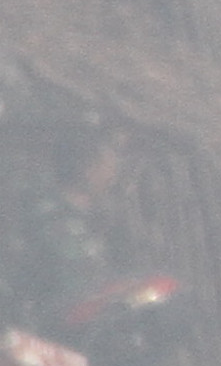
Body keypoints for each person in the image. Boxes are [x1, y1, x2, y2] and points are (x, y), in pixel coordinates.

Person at [0, 123, 130, 337]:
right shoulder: (50, 220)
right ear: (87, 170)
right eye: (108, 170)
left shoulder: (89, 224)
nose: (113, 179)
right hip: (35, 336)